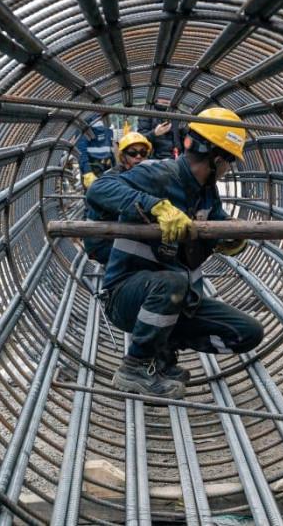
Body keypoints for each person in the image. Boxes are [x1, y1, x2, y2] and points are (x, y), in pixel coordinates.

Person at [88, 107, 263, 399]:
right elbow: (100, 189)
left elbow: (218, 223)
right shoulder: (157, 174)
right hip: (126, 297)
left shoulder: (207, 193)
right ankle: (135, 366)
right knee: (172, 282)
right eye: (228, 164)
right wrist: (153, 205)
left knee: (247, 332)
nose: (226, 170)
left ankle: (162, 351)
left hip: (177, 301)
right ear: (219, 159)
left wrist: (230, 236)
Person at [82, 131, 152, 264]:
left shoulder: (139, 176)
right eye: (133, 153)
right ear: (123, 157)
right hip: (101, 244)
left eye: (143, 153)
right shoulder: (114, 178)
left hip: (115, 237)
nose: (139, 157)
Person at [77, 115, 115, 190]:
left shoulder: (105, 117)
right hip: (92, 166)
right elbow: (81, 150)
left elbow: (109, 144)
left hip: (106, 165)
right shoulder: (86, 118)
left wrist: (114, 165)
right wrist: (87, 171)